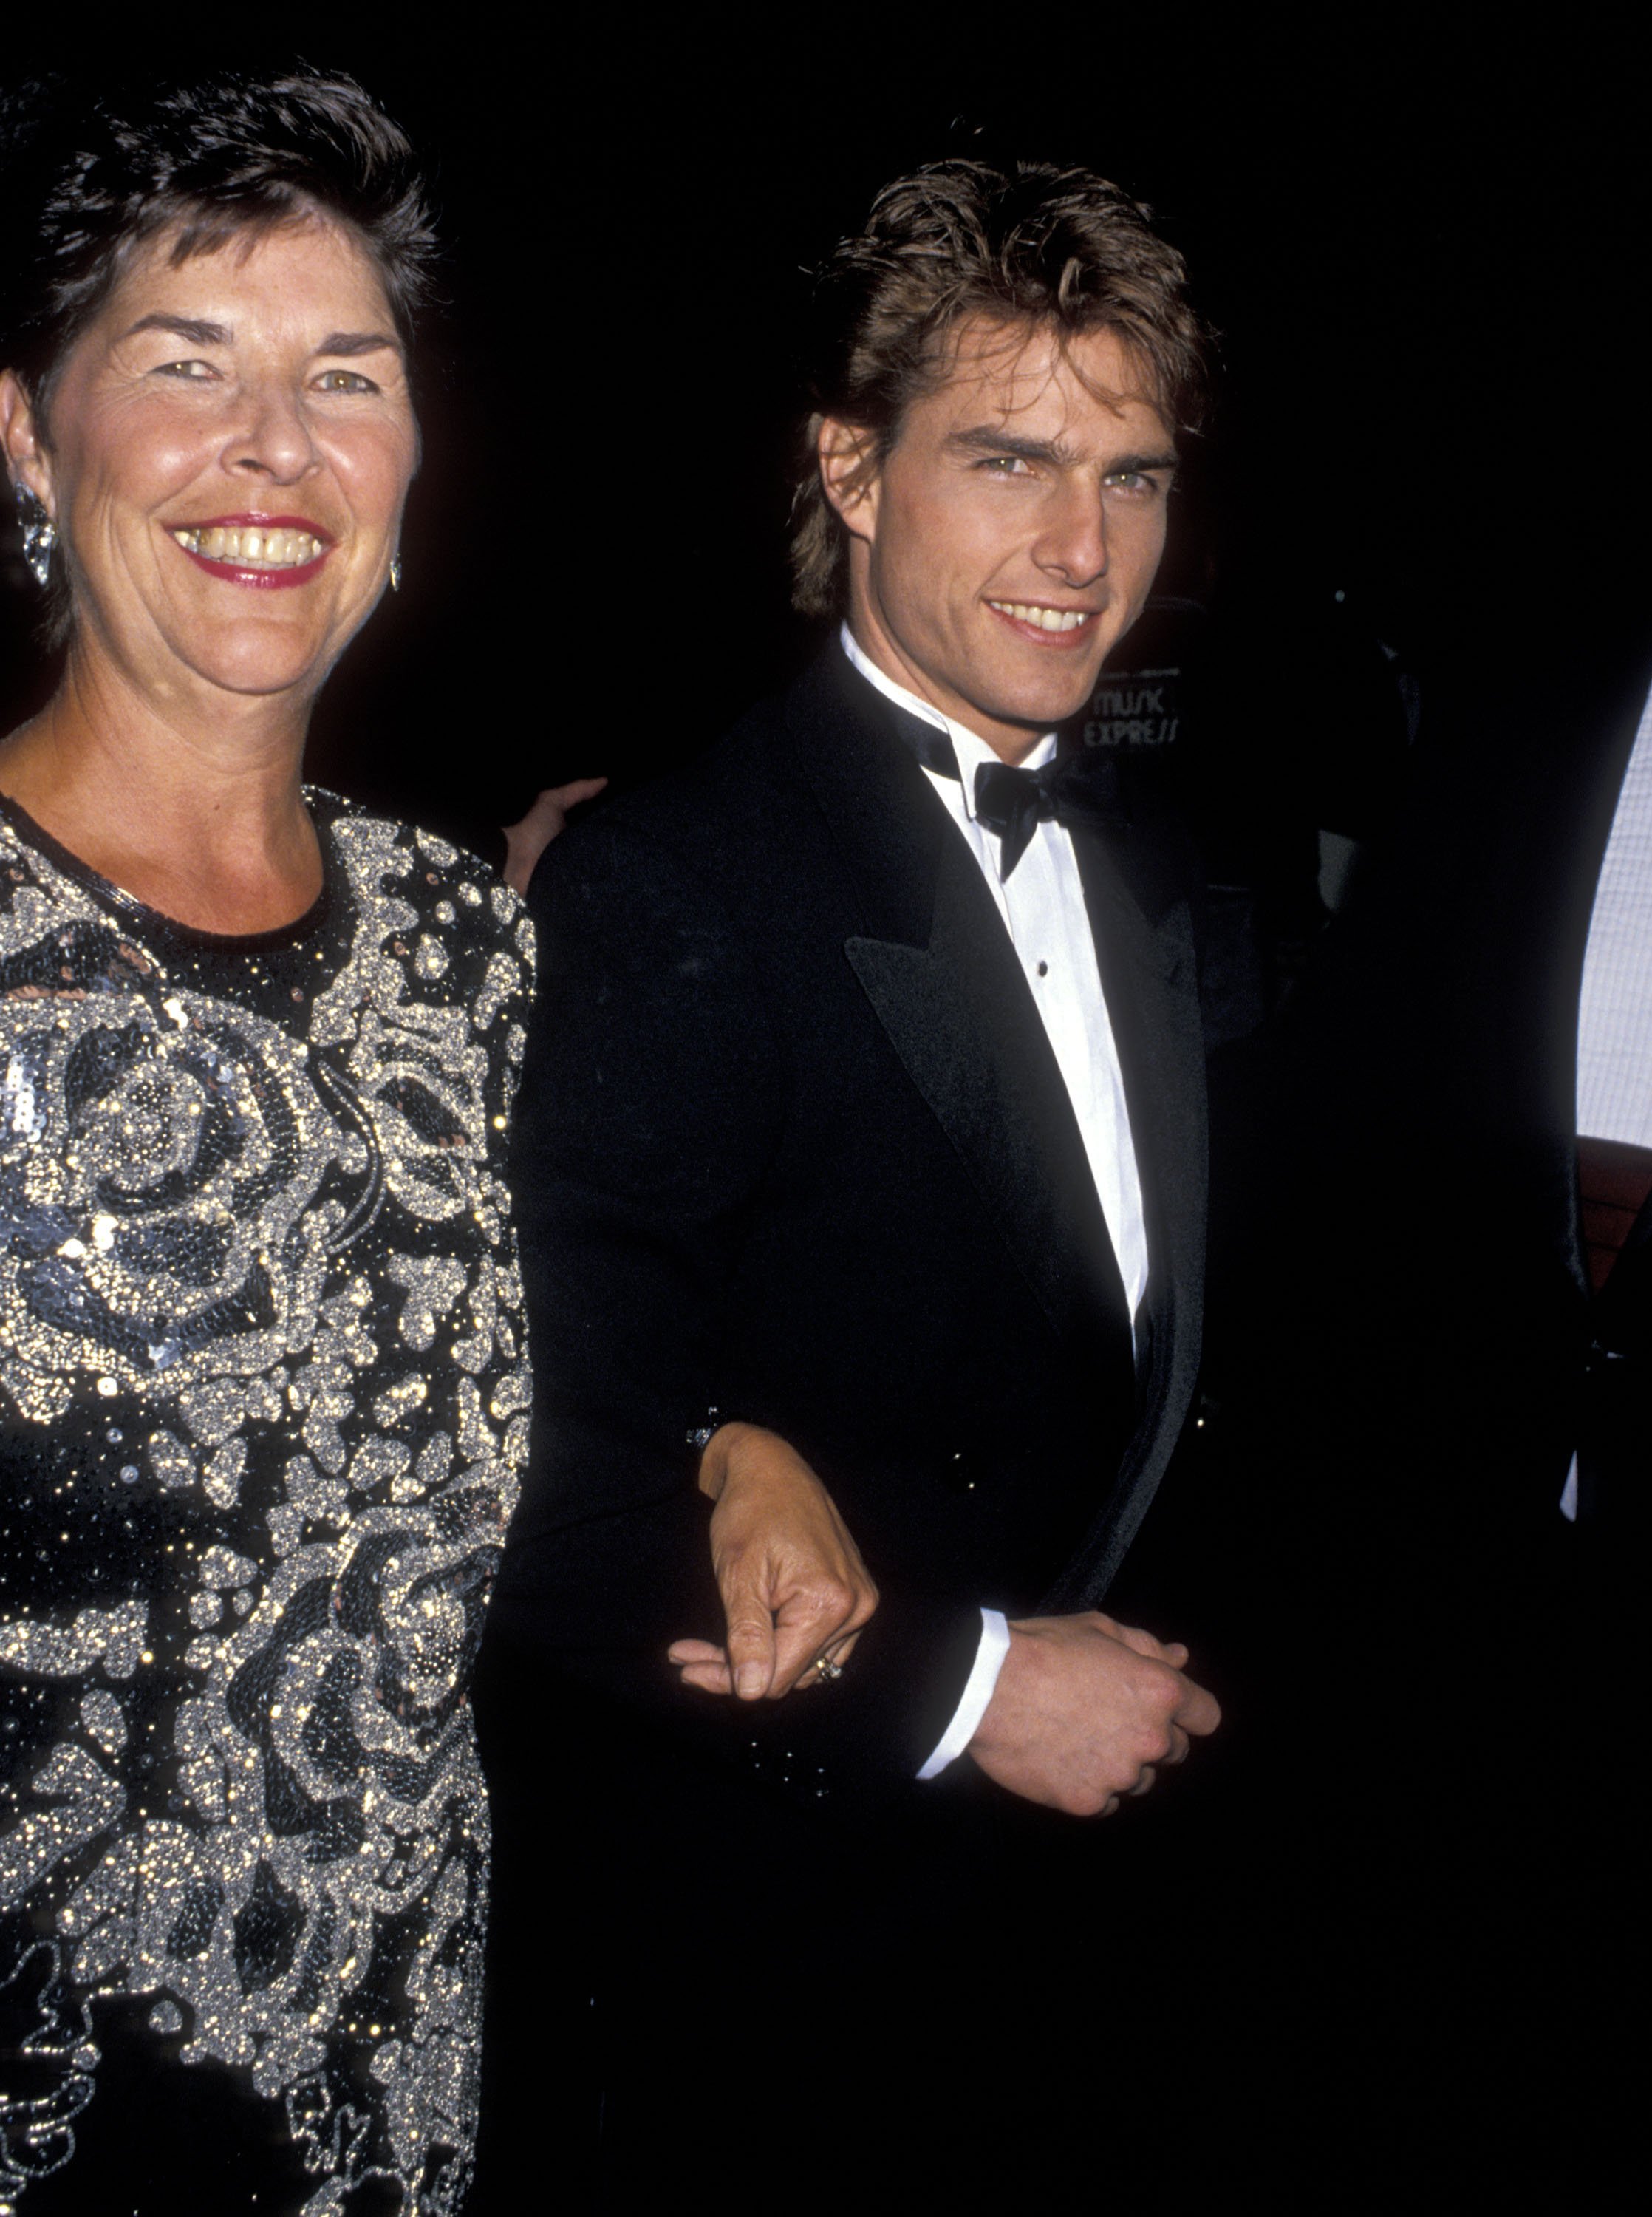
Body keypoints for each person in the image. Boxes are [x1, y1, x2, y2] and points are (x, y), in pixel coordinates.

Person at [0, 72, 865, 2216]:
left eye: (342, 379)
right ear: (28, 435)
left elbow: (546, 1337)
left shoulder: (468, 945)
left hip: (408, 2108)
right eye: (184, 366)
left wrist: (725, 1434)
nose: (273, 448)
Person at [488, 159, 1223, 2205]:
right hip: (788, 1971)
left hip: (1105, 1970)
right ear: (856, 466)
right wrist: (974, 1686)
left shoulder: (1170, 874)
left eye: (1135, 476)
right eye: (1010, 461)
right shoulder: (670, 883)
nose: (1085, 551)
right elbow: (552, 1487)